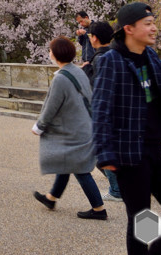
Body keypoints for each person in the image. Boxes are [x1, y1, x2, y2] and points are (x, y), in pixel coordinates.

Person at [92, 2, 161, 255]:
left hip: (154, 148)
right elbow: (100, 109)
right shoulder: (111, 61)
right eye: (148, 24)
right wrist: (104, 154)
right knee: (141, 223)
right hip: (128, 155)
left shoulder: (149, 55)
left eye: (153, 23)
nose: (154, 28)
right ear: (129, 28)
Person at [31, 36, 106, 220]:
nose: (49, 53)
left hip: (74, 131)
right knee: (66, 162)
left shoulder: (60, 79)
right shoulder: (77, 71)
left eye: (50, 50)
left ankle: (99, 209)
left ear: (56, 54)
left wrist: (39, 126)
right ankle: (51, 198)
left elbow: (51, 107)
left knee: (80, 170)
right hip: (83, 125)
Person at [77, 20, 121, 203]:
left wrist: (86, 70)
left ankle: (117, 190)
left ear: (94, 38)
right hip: (116, 112)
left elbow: (98, 86)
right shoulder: (115, 54)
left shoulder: (102, 58)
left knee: (99, 152)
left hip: (104, 113)